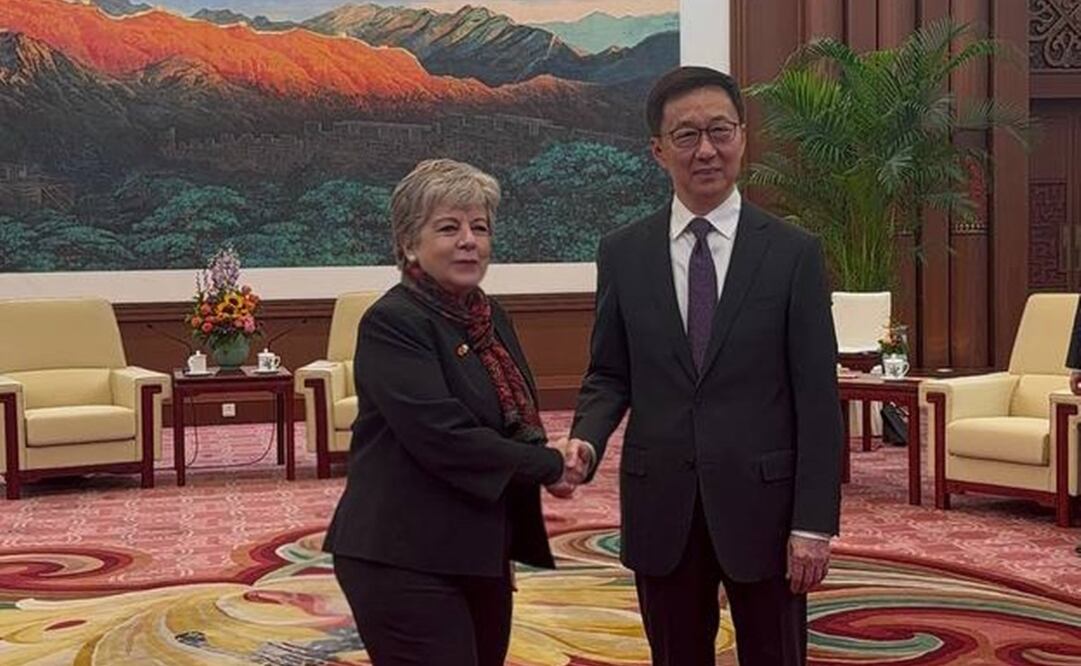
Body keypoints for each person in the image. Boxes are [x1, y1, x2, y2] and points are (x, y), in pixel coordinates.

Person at [563, 66, 844, 665]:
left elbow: (818, 400)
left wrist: (814, 523)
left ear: (743, 136)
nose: (707, 149)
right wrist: (586, 440)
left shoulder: (793, 253)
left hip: (765, 513)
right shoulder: (623, 252)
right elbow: (609, 372)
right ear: (659, 150)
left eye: (720, 130)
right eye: (687, 135)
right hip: (662, 505)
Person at [323, 158, 578, 666]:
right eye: (449, 228)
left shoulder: (488, 316)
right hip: (402, 557)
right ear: (409, 244)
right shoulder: (393, 322)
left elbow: (514, 418)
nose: (469, 240)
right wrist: (550, 465)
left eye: (479, 227)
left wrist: (558, 458)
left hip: (478, 551)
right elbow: (444, 436)